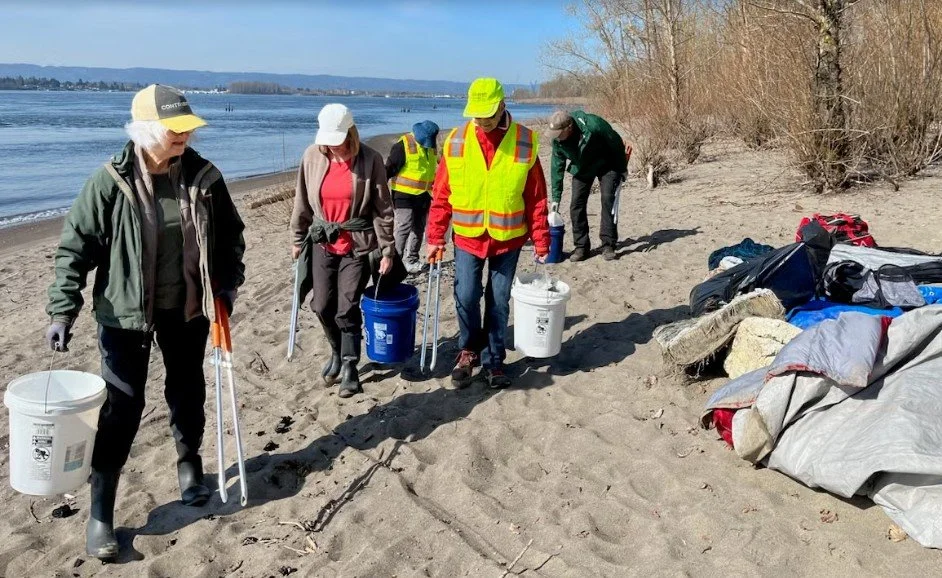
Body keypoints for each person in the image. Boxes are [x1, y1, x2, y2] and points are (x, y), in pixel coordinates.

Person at [44, 84, 246, 560]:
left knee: (186, 387)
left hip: (187, 308)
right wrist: (62, 309)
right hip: (123, 314)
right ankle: (101, 513)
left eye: (187, 130)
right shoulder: (109, 182)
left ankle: (190, 465)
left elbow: (230, 235)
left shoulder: (204, 177)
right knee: (122, 406)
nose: (184, 137)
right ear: (146, 131)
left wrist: (228, 282)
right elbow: (75, 249)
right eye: (175, 131)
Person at [426, 78, 550, 389]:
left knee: (498, 302)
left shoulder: (524, 141)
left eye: (488, 116)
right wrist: (435, 236)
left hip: (508, 239)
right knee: (466, 295)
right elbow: (441, 194)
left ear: (502, 106)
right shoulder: (455, 141)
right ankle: (469, 351)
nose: (482, 122)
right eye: (477, 116)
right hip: (467, 237)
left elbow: (536, 196)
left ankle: (495, 360)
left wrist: (541, 237)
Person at [290, 103, 395, 398]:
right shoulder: (312, 156)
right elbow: (302, 200)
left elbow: (383, 208)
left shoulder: (370, 160)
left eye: (337, 141)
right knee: (322, 305)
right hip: (323, 240)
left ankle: (350, 365)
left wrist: (387, 249)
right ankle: (336, 351)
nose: (332, 147)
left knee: (346, 307)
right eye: (327, 141)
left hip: (358, 244)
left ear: (351, 133)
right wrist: (298, 238)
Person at [547, 109, 629, 262]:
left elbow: (616, 142)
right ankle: (581, 247)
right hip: (582, 166)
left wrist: (622, 169)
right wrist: (556, 198)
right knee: (576, 204)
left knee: (607, 199)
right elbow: (556, 167)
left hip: (607, 164)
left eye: (558, 133)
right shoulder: (558, 141)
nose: (556, 138)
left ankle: (608, 244)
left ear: (569, 128)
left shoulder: (594, 125)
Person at [385, 120, 440, 273]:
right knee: (404, 226)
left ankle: (412, 260)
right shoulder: (402, 145)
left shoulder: (432, 147)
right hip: (403, 195)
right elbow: (388, 169)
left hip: (424, 195)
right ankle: (395, 262)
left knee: (419, 228)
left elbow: (436, 167)